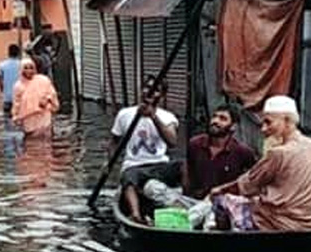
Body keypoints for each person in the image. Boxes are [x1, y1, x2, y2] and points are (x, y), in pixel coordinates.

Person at [209, 95, 311, 231]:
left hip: (280, 223)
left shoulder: (278, 153)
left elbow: (246, 186)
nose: (263, 129)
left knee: (221, 200)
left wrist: (218, 191)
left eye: (268, 122)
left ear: (287, 121)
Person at [110, 75, 180, 224]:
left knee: (184, 166)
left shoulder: (167, 117)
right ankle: (136, 215)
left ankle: (186, 201)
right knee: (128, 176)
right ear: (141, 90)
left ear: (162, 95)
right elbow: (114, 142)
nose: (150, 92)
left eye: (156, 90)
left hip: (159, 165)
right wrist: (110, 164)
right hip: (134, 166)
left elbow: (172, 141)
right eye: (147, 88)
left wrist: (153, 116)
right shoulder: (125, 114)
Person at [185, 104, 257, 199]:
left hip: (225, 205)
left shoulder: (243, 153)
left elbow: (251, 181)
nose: (215, 121)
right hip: (195, 201)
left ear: (233, 127)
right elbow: (188, 172)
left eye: (223, 118)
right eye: (214, 116)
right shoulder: (195, 144)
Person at [12, 57, 59, 138]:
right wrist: (15, 116)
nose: (29, 71)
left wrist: (47, 99)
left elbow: (52, 93)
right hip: (28, 118)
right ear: (22, 70)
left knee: (46, 141)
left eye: (31, 68)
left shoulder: (43, 80)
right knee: (31, 141)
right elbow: (17, 103)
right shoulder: (18, 86)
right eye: (26, 68)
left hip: (43, 115)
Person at [0, 44, 21, 115]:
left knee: (6, 120)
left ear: (8, 53)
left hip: (7, 98)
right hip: (20, 98)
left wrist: (4, 92)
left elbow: (0, 82)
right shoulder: (22, 65)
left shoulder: (1, 65)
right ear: (18, 53)